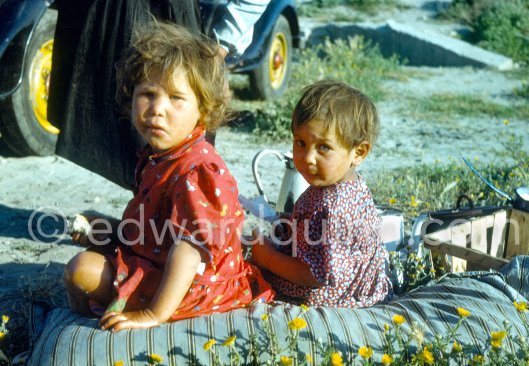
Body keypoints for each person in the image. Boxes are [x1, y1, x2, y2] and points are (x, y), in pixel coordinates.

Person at [63, 22, 274, 332]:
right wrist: (113, 228)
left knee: (82, 271)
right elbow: (158, 228)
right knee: (90, 249)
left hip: (192, 283)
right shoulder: (160, 156)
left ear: (202, 110)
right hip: (161, 260)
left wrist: (152, 315)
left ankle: (106, 311)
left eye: (176, 98)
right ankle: (96, 308)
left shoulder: (198, 171)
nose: (157, 109)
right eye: (148, 93)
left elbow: (190, 252)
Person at [48, 0, 270, 189]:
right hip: (112, 15)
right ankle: (147, 213)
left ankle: (178, 217)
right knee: (142, 142)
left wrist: (220, 47)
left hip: (176, 19)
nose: (157, 107)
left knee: (181, 147)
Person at [250, 80, 392, 308]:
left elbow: (316, 276)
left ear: (359, 152)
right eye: (301, 142)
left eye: (323, 147)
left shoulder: (334, 208)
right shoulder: (345, 186)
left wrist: (268, 258)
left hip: (331, 299)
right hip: (349, 286)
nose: (307, 157)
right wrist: (294, 225)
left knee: (247, 275)